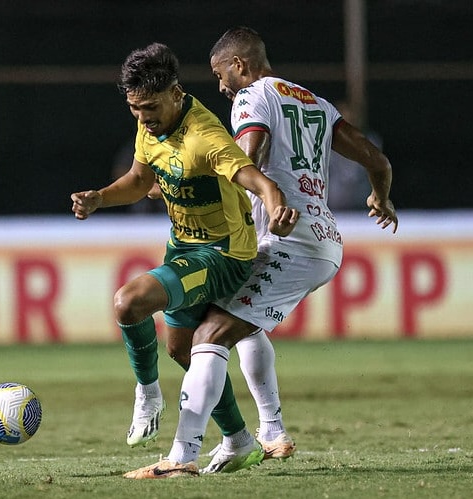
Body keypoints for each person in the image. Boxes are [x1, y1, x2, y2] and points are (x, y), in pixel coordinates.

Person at [124, 26, 397, 479]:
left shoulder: (253, 97)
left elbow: (243, 159)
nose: (220, 87)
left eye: (220, 74)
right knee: (240, 325)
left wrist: (187, 178)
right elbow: (378, 161)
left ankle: (182, 457)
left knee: (207, 337)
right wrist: (380, 197)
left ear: (241, 65)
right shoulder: (315, 103)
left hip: (288, 238)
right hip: (319, 237)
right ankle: (271, 433)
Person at [70, 42, 299, 474]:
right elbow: (140, 180)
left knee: (128, 301)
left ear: (176, 93)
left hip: (224, 254)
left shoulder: (205, 137)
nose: (142, 117)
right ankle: (239, 440)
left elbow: (255, 178)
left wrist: (274, 203)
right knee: (180, 350)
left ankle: (147, 393)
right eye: (135, 108)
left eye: (149, 107)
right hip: (184, 246)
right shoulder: (151, 125)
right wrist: (100, 197)